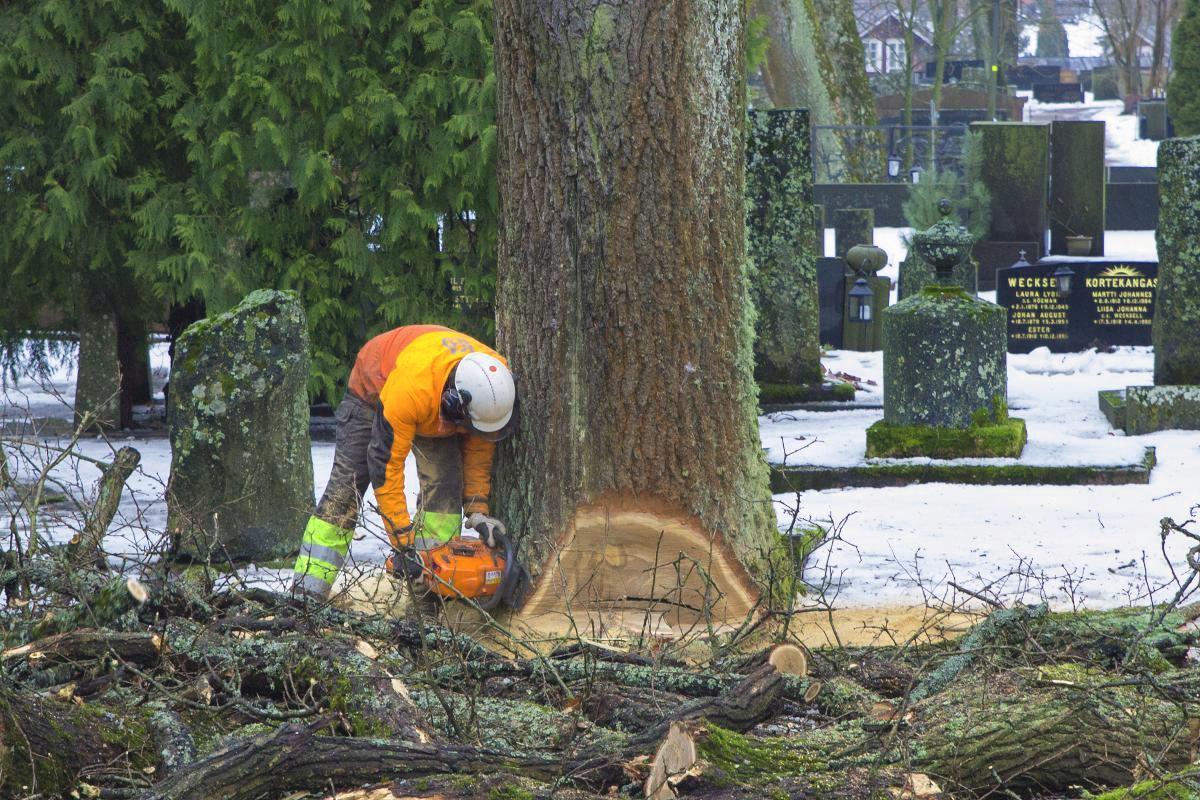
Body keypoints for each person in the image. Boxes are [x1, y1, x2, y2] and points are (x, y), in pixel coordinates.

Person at [292, 324, 517, 599]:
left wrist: (477, 510)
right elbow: (385, 469)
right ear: (454, 402)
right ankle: (307, 592)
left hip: (433, 393)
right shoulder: (411, 392)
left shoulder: (495, 384)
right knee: (347, 488)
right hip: (374, 387)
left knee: (445, 485)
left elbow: (480, 451)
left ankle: (434, 592)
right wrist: (403, 545)